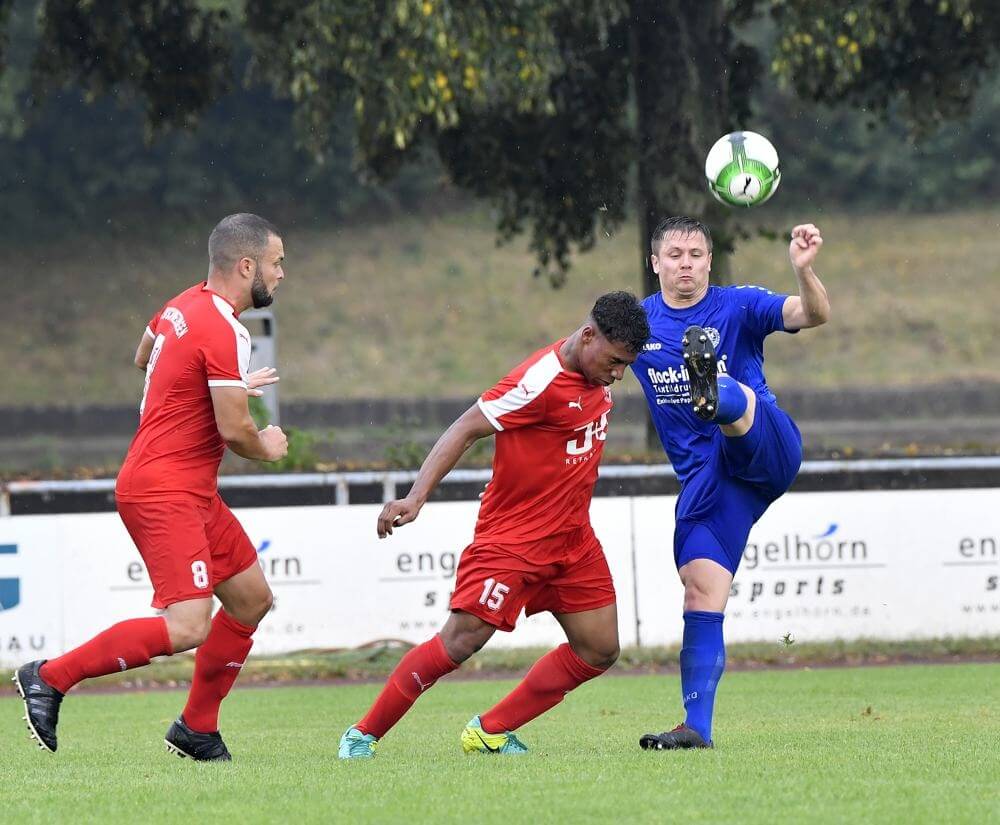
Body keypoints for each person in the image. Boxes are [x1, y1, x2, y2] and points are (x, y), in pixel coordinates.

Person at [13, 213, 289, 761]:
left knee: (251, 600)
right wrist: (268, 445)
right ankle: (49, 677)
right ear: (247, 265)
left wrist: (223, 384)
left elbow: (146, 358)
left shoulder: (180, 306)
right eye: (278, 262)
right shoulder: (225, 328)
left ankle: (196, 728)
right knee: (187, 624)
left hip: (188, 488)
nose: (283, 274)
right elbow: (236, 431)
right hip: (164, 488)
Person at [338, 291, 650, 759]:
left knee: (600, 649)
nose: (619, 374)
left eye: (626, 365)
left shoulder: (596, 366)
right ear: (587, 336)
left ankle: (490, 730)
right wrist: (415, 497)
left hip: (572, 540)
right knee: (459, 643)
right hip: (513, 541)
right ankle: (363, 734)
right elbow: (464, 428)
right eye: (615, 361)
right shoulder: (538, 382)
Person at [631, 216, 829, 750]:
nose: (686, 263)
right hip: (713, 484)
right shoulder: (636, 325)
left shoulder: (739, 304)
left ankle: (716, 393)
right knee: (700, 590)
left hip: (765, 447)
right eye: (674, 254)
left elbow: (813, 314)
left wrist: (803, 270)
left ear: (709, 261)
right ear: (656, 263)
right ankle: (697, 727)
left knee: (728, 394)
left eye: (696, 253)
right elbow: (582, 360)